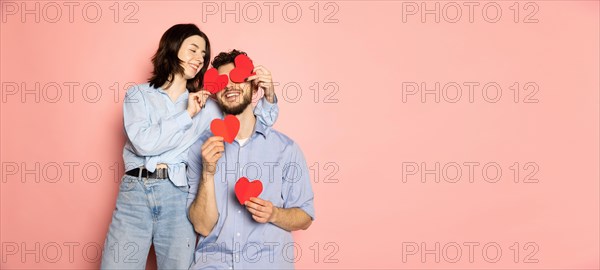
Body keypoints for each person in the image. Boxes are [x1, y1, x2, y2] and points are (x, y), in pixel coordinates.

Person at [101, 25, 279, 269]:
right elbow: (143, 143)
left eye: (203, 55)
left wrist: (268, 93)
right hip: (135, 192)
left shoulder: (206, 105)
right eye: (193, 50)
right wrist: (186, 115)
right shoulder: (139, 96)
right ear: (172, 48)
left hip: (178, 194)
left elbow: (252, 123)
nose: (199, 59)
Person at [187, 50, 314, 269]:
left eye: (238, 79)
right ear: (215, 92)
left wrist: (274, 214)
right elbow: (202, 227)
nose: (231, 86)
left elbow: (305, 217)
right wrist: (208, 172)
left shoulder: (286, 149)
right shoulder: (199, 149)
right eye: (223, 81)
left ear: (255, 86)